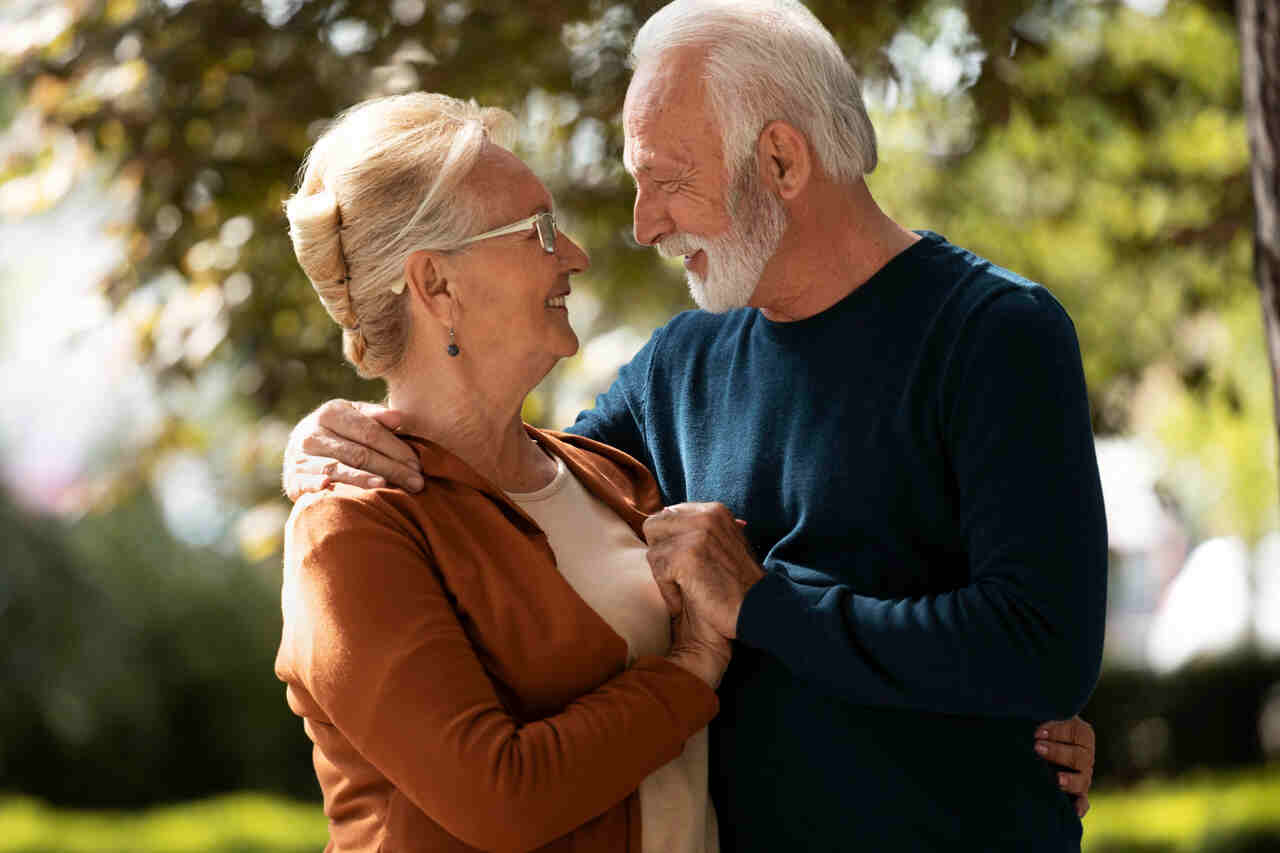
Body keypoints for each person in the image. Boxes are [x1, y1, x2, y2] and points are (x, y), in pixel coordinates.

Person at [283, 1, 1107, 849]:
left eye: (667, 179)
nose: (642, 227)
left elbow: (1040, 649)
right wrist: (327, 439)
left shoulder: (996, 333)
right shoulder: (677, 369)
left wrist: (766, 608)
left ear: (781, 159)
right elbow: (508, 497)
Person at [276, 92, 731, 853]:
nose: (576, 256)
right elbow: (503, 799)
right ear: (435, 285)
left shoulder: (605, 472)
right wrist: (694, 665)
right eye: (539, 232)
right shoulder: (351, 527)